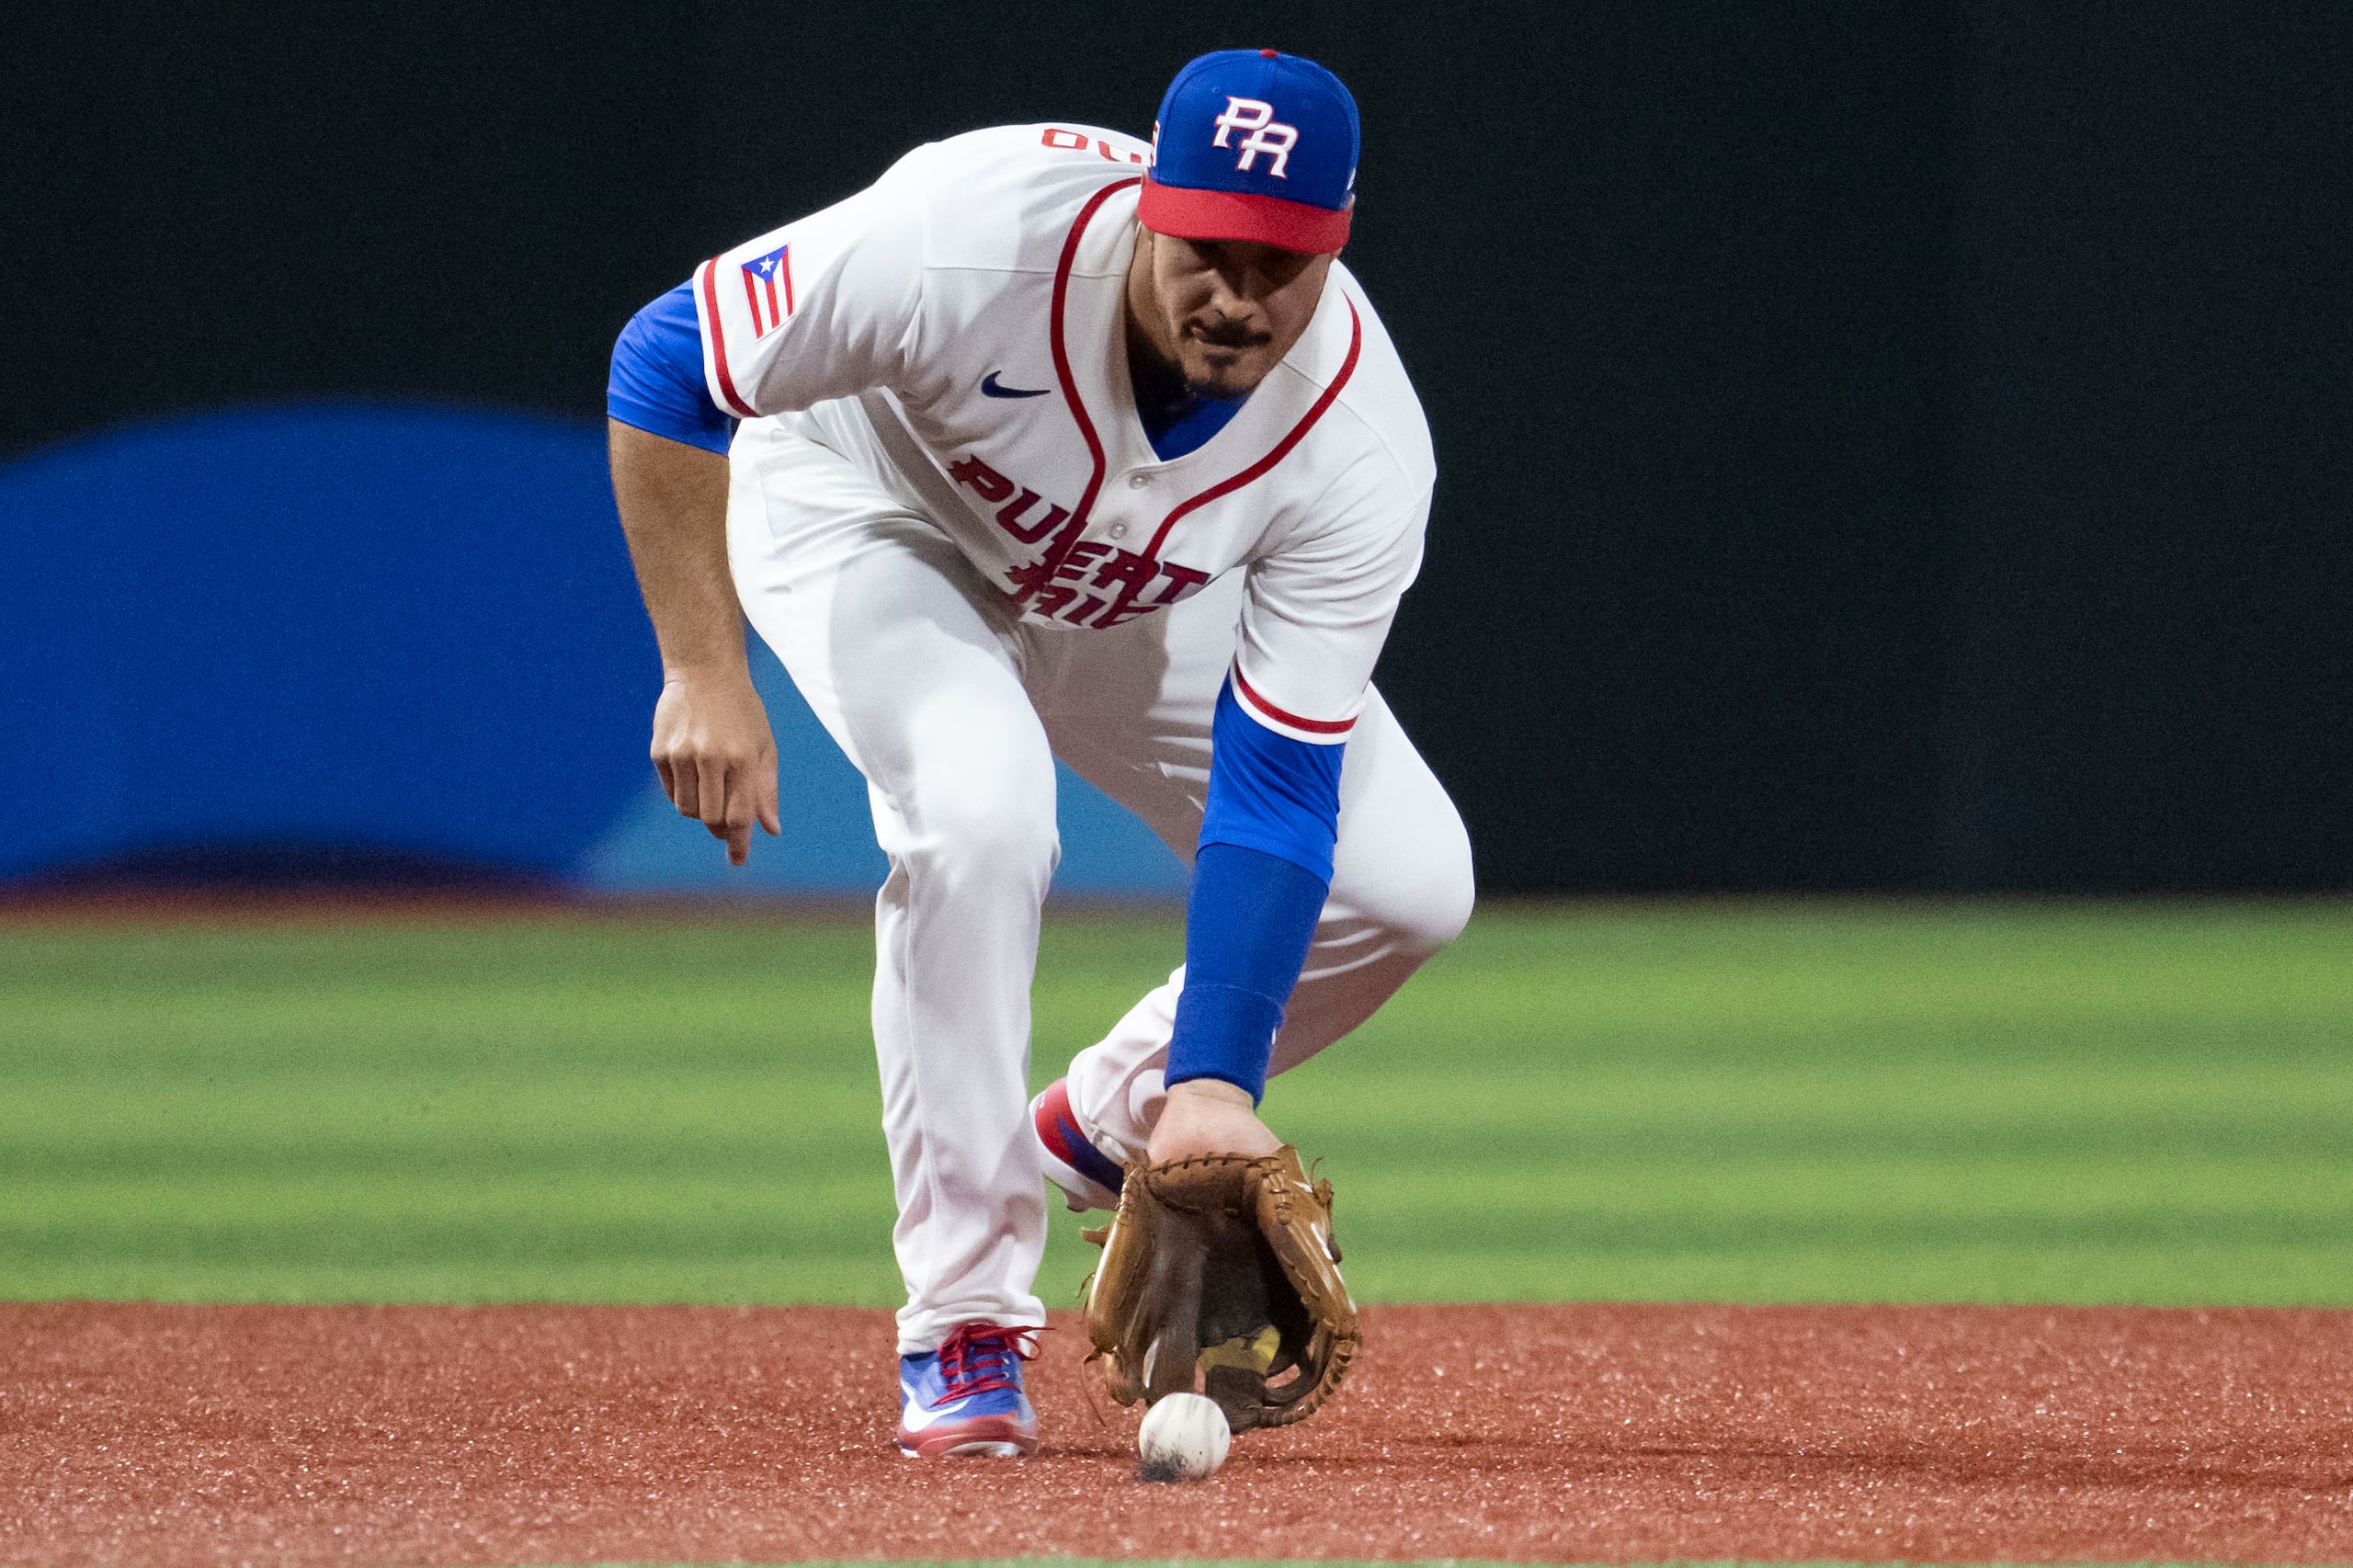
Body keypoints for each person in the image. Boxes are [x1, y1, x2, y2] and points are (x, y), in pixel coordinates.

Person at [605, 48, 1473, 1458]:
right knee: (982, 810)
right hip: (871, 513)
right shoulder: (966, 238)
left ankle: (1098, 1124)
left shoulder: (1360, 441)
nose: (1237, 294)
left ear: (1340, 246)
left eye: (1282, 261)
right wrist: (703, 667)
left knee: (1411, 879)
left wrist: (1213, 1088)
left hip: (1132, 594)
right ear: (1148, 202)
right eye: (1207, 247)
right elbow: (668, 357)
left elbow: (1276, 782)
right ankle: (963, 1320)